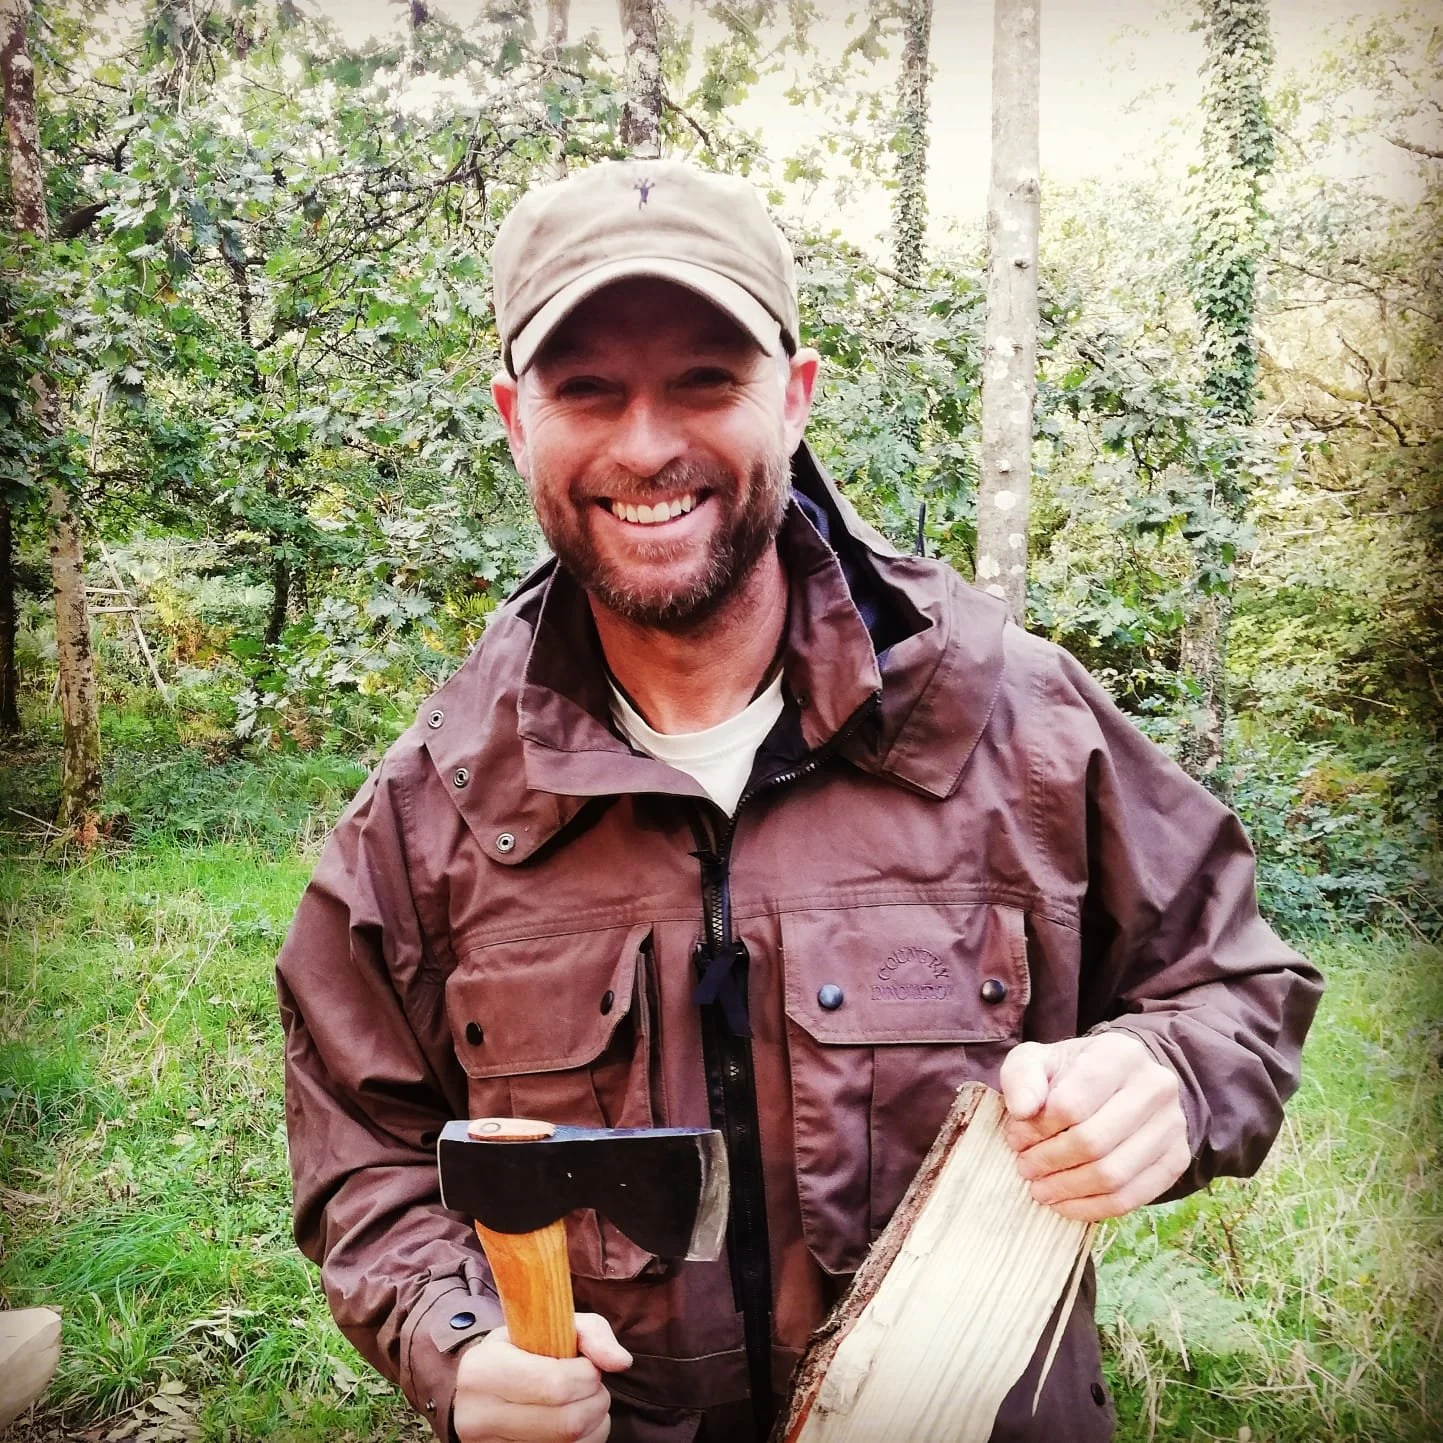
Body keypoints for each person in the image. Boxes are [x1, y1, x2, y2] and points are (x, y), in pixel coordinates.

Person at [276, 159, 1322, 1443]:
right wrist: (458, 1340)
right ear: (513, 417)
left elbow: (1237, 985)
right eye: (585, 389)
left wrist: (1170, 1075)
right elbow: (364, 1158)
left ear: (798, 396)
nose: (647, 443)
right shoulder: (433, 808)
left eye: (706, 381)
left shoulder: (1016, 722)